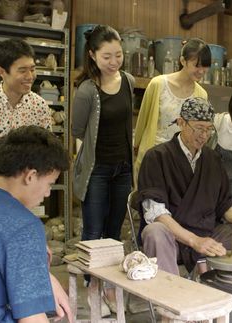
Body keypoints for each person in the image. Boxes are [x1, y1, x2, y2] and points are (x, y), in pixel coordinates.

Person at [137, 97, 232, 275]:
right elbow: (156, 213)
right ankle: (168, 299)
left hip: (209, 235)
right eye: (198, 128)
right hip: (174, 237)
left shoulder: (212, 159)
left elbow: (224, 206)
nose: (204, 135)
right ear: (181, 123)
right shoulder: (157, 157)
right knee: (154, 231)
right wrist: (194, 240)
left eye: (209, 129)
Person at [71, 25, 135, 314]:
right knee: (93, 230)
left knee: (113, 230)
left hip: (122, 169)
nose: (113, 62)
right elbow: (77, 131)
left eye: (118, 55)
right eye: (107, 56)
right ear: (93, 55)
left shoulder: (129, 82)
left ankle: (108, 285)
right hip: (96, 170)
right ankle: (91, 284)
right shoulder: (87, 90)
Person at [0, 125, 72, 323]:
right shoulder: (24, 225)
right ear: (30, 176)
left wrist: (43, 275)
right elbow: (32, 319)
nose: (48, 193)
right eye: (49, 183)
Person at [133, 38, 211, 178]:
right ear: (183, 61)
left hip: (183, 162)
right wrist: (137, 145)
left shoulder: (201, 94)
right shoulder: (158, 84)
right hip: (154, 156)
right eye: (196, 65)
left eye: (205, 66)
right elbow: (143, 118)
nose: (201, 71)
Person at [0, 39, 52, 179]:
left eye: (32, 69)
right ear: (1, 71)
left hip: (27, 188)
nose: (30, 76)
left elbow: (46, 150)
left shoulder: (39, 106)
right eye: (22, 71)